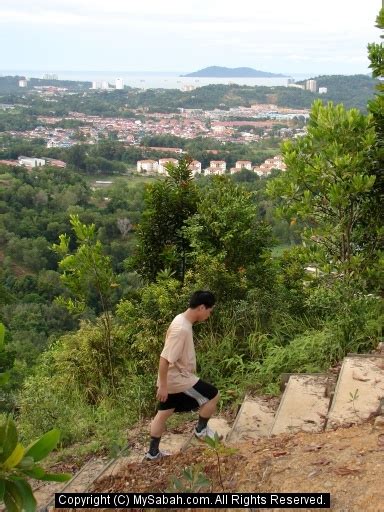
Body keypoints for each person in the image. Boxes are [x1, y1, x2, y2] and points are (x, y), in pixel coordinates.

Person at [144, 290, 219, 460]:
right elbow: (164, 359)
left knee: (162, 415)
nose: (209, 314)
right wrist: (163, 387)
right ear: (201, 307)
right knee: (213, 395)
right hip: (178, 380)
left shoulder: (181, 319)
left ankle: (152, 453)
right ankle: (201, 430)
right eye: (209, 310)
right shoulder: (181, 329)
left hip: (172, 379)